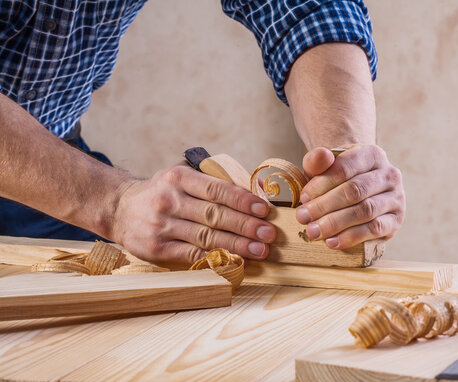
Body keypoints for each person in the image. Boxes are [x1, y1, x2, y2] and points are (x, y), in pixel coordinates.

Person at [0, 1, 405, 266]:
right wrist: (110, 201)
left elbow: (308, 10)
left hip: (55, 155)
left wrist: (345, 157)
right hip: (70, 184)